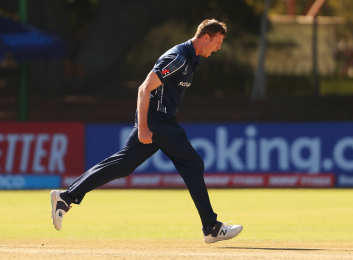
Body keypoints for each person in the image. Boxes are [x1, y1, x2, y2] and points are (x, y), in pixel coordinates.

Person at [50, 18, 242, 244]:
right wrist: (143, 126)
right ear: (206, 38)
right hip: (158, 121)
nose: (219, 48)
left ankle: (65, 197)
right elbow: (144, 88)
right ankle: (211, 227)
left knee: (123, 165)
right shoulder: (179, 58)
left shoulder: (193, 59)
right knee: (193, 163)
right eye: (217, 43)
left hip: (160, 120)